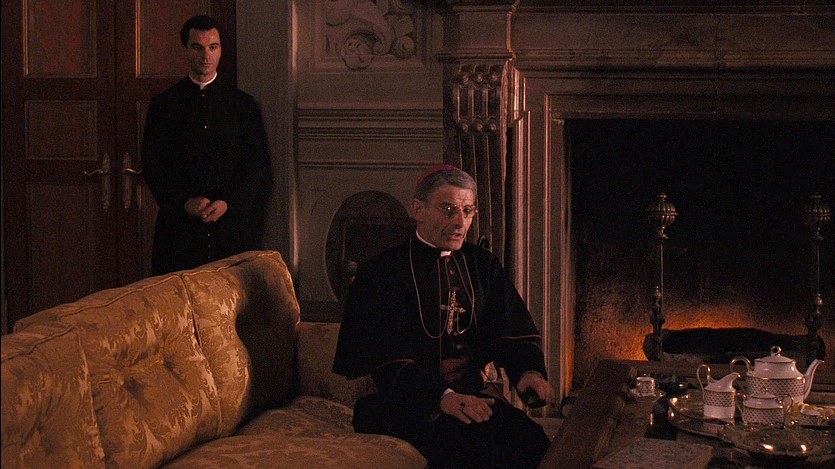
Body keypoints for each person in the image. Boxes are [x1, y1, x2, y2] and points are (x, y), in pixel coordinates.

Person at [333, 164, 556, 468]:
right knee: (474, 450)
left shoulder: (482, 265)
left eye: (467, 210)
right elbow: (387, 360)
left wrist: (529, 372)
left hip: (472, 394)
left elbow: (511, 329)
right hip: (403, 403)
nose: (460, 222)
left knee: (534, 442)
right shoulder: (382, 272)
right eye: (448, 209)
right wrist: (443, 396)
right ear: (419, 210)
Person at [141, 14, 272, 275]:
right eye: (197, 47)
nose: (206, 56)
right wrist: (184, 202)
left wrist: (228, 203)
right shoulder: (164, 105)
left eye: (213, 47)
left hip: (231, 230)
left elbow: (258, 167)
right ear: (185, 50)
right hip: (179, 233)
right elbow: (154, 165)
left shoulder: (243, 105)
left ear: (221, 50)